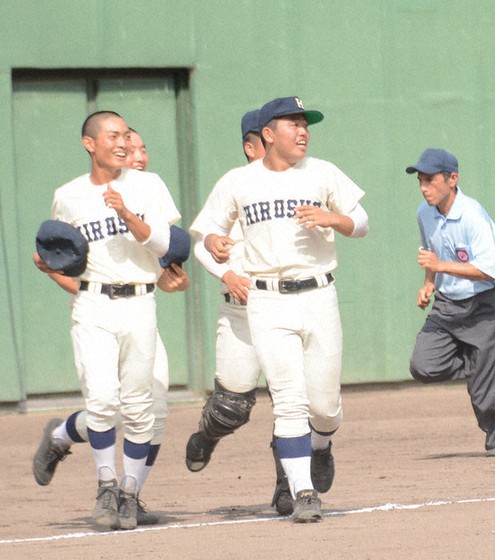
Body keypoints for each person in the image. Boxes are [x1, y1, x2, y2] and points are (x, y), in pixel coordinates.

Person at [191, 96, 369, 523]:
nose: (303, 130)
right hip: (266, 298)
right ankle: (302, 491)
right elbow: (208, 234)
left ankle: (322, 445)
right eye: (293, 123)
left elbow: (361, 223)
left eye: (306, 124)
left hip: (318, 294)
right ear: (268, 134)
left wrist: (334, 220)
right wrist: (215, 244)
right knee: (288, 400)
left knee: (323, 406)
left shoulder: (323, 172)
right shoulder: (238, 181)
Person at [32, 128, 190, 527]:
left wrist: (126, 214)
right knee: (103, 402)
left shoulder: (148, 186)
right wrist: (51, 269)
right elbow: (65, 255)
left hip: (140, 304)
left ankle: (129, 493)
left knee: (146, 410)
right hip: (94, 304)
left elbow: (168, 250)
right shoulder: (68, 196)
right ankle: (106, 487)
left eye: (134, 142)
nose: (128, 148)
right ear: (89, 143)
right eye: (117, 138)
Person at [185, 109, 293, 517]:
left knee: (291, 401)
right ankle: (209, 434)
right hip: (241, 313)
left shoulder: (296, 186)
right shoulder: (236, 188)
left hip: (287, 307)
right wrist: (226, 271)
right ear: (253, 146)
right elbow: (200, 245)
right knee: (232, 408)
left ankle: (288, 484)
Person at [407, 148, 495, 457]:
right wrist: (428, 284)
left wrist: (439, 267)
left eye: (430, 180)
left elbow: (488, 270)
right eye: (420, 181)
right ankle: (479, 363)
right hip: (447, 303)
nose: (424, 187)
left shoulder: (472, 215)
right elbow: (431, 252)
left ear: (452, 179)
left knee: (482, 392)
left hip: (485, 304)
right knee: (423, 366)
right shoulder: (424, 212)